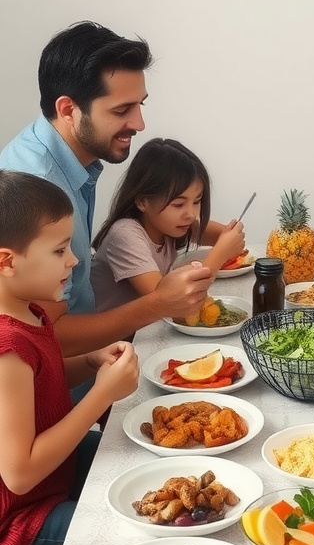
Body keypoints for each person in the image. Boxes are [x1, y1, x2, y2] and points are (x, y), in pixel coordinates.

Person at [0, 21, 211, 355]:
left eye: (140, 104)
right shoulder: (37, 186)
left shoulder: (69, 155)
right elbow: (47, 334)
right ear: (68, 110)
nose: (140, 123)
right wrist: (159, 303)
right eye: (122, 110)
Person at [0, 170, 139, 545]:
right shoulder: (6, 348)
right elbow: (19, 474)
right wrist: (100, 396)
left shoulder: (30, 309)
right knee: (131, 527)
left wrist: (92, 361)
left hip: (52, 477)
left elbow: (39, 380)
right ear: (7, 261)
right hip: (19, 522)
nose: (74, 260)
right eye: (60, 250)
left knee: (135, 461)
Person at [91, 137, 245, 314]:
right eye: (178, 204)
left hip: (143, 331)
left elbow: (223, 234)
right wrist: (220, 254)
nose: (191, 214)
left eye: (197, 201)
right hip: (113, 339)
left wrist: (231, 237)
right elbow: (168, 301)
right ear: (142, 201)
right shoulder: (125, 234)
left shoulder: (168, 225)